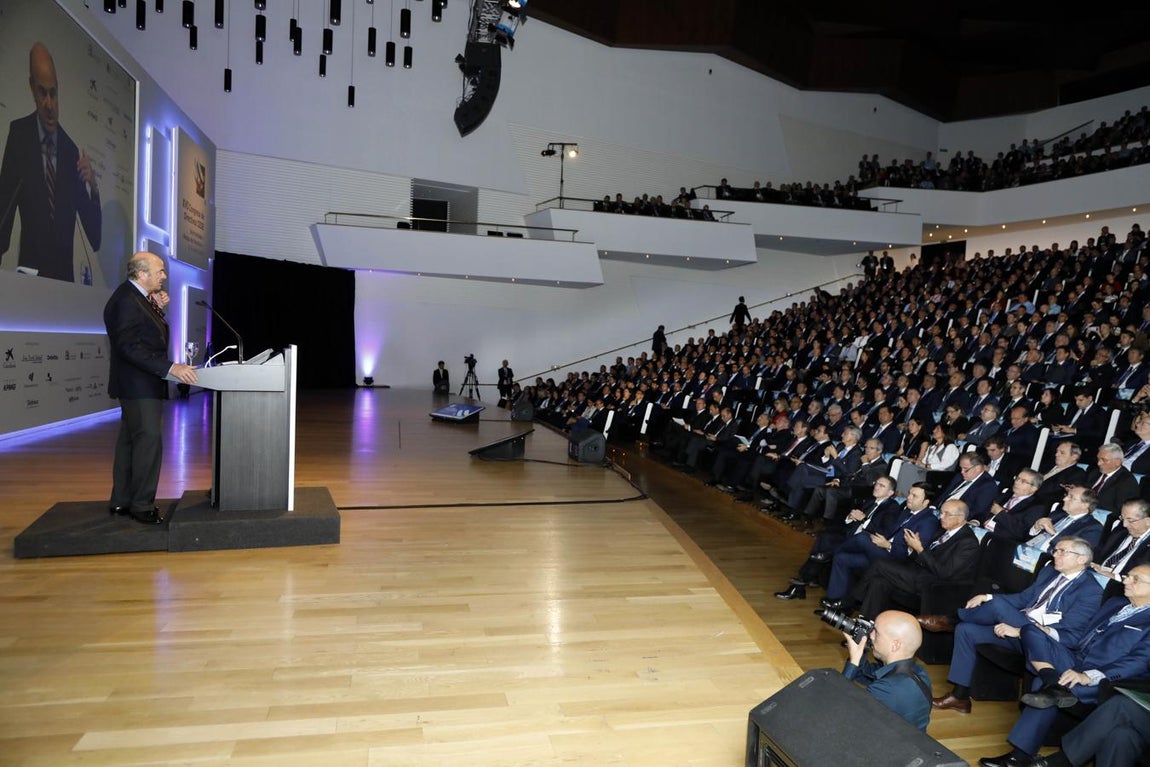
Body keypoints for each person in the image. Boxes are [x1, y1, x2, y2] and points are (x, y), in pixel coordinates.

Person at [977, 565, 1150, 767]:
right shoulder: (1115, 603)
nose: (1126, 581)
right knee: (1030, 630)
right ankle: (1053, 681)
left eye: (1135, 579)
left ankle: (1020, 755)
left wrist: (1090, 675)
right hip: (1076, 659)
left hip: (1105, 679)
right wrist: (1049, 633)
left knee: (1044, 685)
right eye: (1127, 576)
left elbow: (1139, 662)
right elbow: (1082, 635)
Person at [926, 537, 1103, 716]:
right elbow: (1023, 599)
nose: (1055, 555)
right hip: (1020, 626)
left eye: (1062, 551)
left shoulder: (1090, 590)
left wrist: (1021, 630)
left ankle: (951, 620)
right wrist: (987, 596)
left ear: (1081, 559)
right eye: (1055, 550)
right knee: (967, 630)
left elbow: (1070, 633)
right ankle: (960, 697)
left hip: (1043, 642)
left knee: (995, 607)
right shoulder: (1050, 571)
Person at [103, 252, 197, 525]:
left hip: (138, 384)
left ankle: (121, 501)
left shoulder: (136, 298)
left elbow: (146, 334)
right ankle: (142, 506)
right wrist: (171, 368)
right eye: (160, 271)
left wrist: (156, 308)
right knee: (148, 443)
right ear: (142, 274)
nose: (164, 276)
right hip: (138, 385)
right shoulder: (127, 301)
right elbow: (129, 347)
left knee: (130, 442)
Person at [0, 42, 102, 283]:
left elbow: (95, 237)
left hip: (63, 285)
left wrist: (93, 186)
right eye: (41, 92)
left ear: (59, 90)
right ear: (32, 89)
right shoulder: (19, 135)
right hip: (28, 280)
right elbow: (4, 207)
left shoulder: (71, 152)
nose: (48, 104)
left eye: (53, 93)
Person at [842, 609, 933, 731]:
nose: (871, 635)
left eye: (877, 633)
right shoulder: (919, 673)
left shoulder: (886, 689)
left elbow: (838, 709)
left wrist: (853, 663)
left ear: (895, 645)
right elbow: (865, 674)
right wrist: (861, 648)